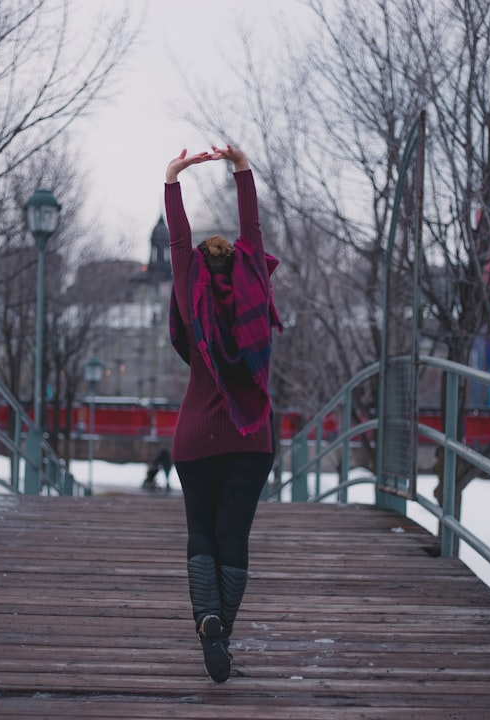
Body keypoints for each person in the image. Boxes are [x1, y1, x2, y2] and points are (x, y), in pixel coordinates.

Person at [164, 144, 282, 682]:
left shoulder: (191, 294)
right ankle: (224, 634)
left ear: (197, 272)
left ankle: (205, 616)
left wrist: (174, 178)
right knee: (233, 534)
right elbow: (252, 228)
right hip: (251, 432)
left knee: (200, 531)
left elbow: (178, 239)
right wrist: (240, 167)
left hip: (195, 434)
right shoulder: (254, 281)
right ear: (242, 265)